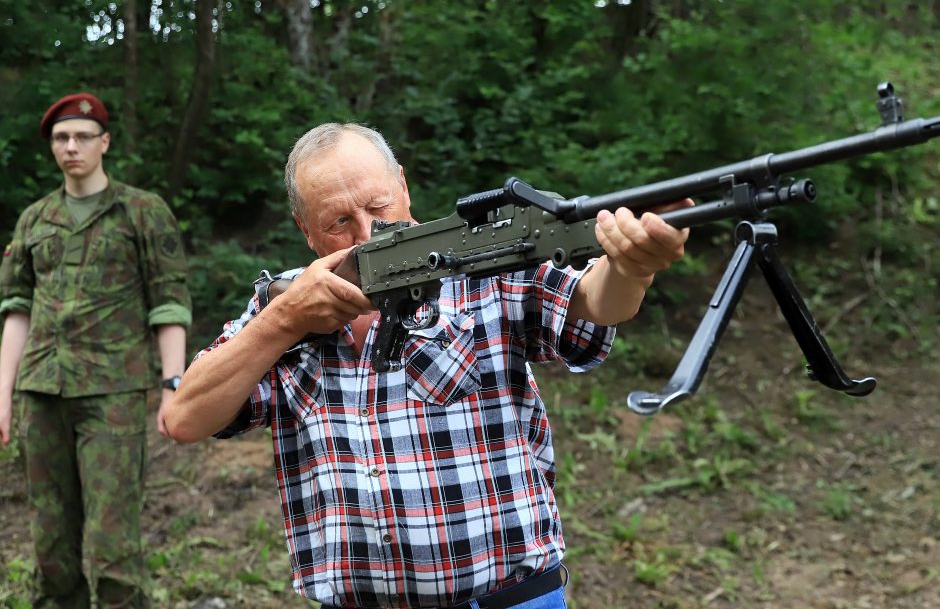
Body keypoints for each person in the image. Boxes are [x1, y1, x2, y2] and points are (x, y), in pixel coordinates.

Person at [163, 123, 690, 609]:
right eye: (340, 222)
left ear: (404, 187)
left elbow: (594, 303)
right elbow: (184, 418)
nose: (367, 235)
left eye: (378, 206)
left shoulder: (480, 259)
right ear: (306, 230)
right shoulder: (287, 305)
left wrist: (630, 265)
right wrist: (281, 322)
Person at [0, 93, 192, 608]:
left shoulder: (142, 212)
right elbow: (16, 309)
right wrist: (3, 397)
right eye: (62, 138)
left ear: (104, 142)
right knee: (50, 545)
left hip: (113, 392)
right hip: (41, 391)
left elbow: (169, 304)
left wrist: (172, 386)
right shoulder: (35, 220)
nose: (71, 146)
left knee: (114, 546)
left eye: (83, 136)